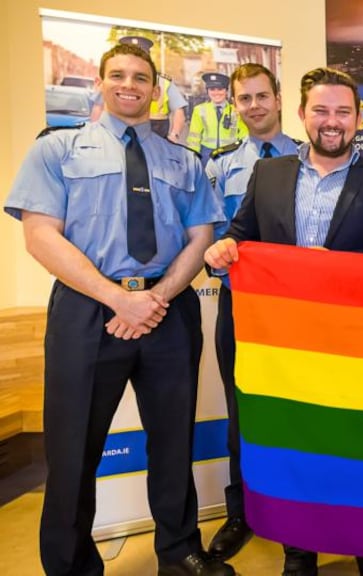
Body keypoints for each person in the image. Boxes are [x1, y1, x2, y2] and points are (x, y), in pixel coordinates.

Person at [5, 42, 233, 576]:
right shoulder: (56, 151)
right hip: (88, 312)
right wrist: (118, 299)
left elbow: (201, 235)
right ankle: (70, 563)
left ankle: (179, 552)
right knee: (73, 447)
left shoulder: (184, 161)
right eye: (118, 75)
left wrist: (154, 298)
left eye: (141, 77)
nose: (129, 85)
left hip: (167, 310)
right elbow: (41, 237)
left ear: (156, 90)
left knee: (173, 440)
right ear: (101, 84)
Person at [204, 66, 363, 576]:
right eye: (321, 110)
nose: (331, 121)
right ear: (301, 115)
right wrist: (226, 247)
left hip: (353, 349)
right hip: (285, 349)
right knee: (295, 451)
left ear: (358, 119)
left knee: (360, 453)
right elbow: (240, 234)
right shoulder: (268, 175)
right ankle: (299, 557)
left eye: (342, 111)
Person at [203, 62, 301, 563]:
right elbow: (216, 234)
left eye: (262, 96)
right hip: (241, 305)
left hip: (300, 311)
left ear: (280, 99)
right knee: (242, 408)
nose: (255, 106)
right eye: (245, 99)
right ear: (234, 105)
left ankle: (299, 511)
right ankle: (241, 511)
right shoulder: (219, 165)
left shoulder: (308, 159)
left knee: (301, 413)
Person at [89, 36, 189, 143]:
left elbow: (179, 113)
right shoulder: (109, 80)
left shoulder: (165, 83)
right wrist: (95, 134)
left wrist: (174, 136)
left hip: (155, 138)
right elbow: (98, 107)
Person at [187, 72, 247, 165]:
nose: (216, 93)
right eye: (212, 89)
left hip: (231, 153)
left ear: (226, 91)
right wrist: (193, 157)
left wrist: (244, 154)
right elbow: (194, 137)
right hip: (206, 155)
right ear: (207, 91)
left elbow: (244, 135)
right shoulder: (199, 110)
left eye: (220, 89)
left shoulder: (237, 111)